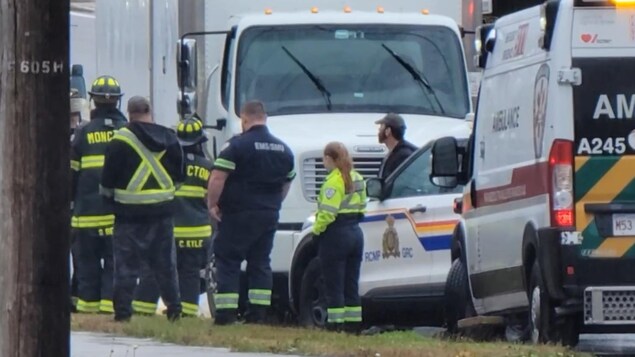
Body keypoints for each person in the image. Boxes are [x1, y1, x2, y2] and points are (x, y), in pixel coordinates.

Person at [207, 100, 295, 325]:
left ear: (244, 120)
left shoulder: (236, 146)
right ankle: (258, 315)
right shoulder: (284, 150)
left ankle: (226, 314)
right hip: (268, 214)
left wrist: (212, 204)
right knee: (260, 262)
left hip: (238, 213)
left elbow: (218, 177)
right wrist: (273, 203)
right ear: (264, 118)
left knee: (228, 260)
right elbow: (286, 184)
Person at [100, 96, 185, 322]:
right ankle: (175, 310)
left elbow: (107, 182)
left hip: (128, 215)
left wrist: (113, 201)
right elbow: (179, 178)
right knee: (166, 265)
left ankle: (123, 313)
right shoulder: (170, 139)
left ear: (129, 112)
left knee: (126, 267)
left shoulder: (119, 141)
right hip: (162, 213)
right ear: (150, 111)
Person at [132, 116, 213, 318]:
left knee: (156, 269)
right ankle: (186, 313)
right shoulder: (209, 167)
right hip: (198, 232)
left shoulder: (167, 163)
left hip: (169, 230)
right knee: (190, 273)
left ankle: (143, 310)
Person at [70, 75, 128, 314]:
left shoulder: (83, 133)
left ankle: (87, 307)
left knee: (87, 262)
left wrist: (69, 202)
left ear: (93, 101)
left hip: (87, 214)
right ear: (117, 102)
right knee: (115, 262)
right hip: (117, 214)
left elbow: (71, 173)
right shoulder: (126, 133)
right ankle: (109, 306)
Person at [311, 142, 367, 333]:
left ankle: (335, 325)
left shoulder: (333, 181)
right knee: (351, 282)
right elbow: (363, 206)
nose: (323, 163)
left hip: (336, 234)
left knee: (333, 282)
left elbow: (327, 213)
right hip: (355, 232)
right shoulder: (357, 177)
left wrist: (316, 232)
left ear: (330, 159)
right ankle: (353, 326)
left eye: (324, 159)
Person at [375, 113, 418, 179]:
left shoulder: (403, 156)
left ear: (388, 131)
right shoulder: (394, 153)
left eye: (381, 126)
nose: (379, 130)